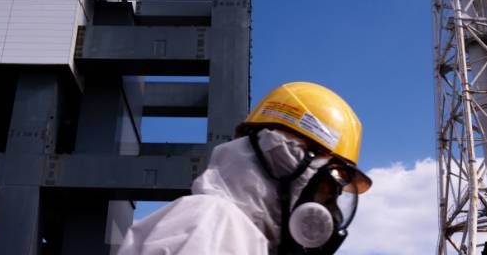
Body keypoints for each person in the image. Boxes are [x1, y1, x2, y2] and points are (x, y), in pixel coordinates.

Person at [118, 82, 372, 255]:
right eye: (328, 188)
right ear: (285, 157)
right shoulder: (210, 223)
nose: (330, 211)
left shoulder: (244, 238)